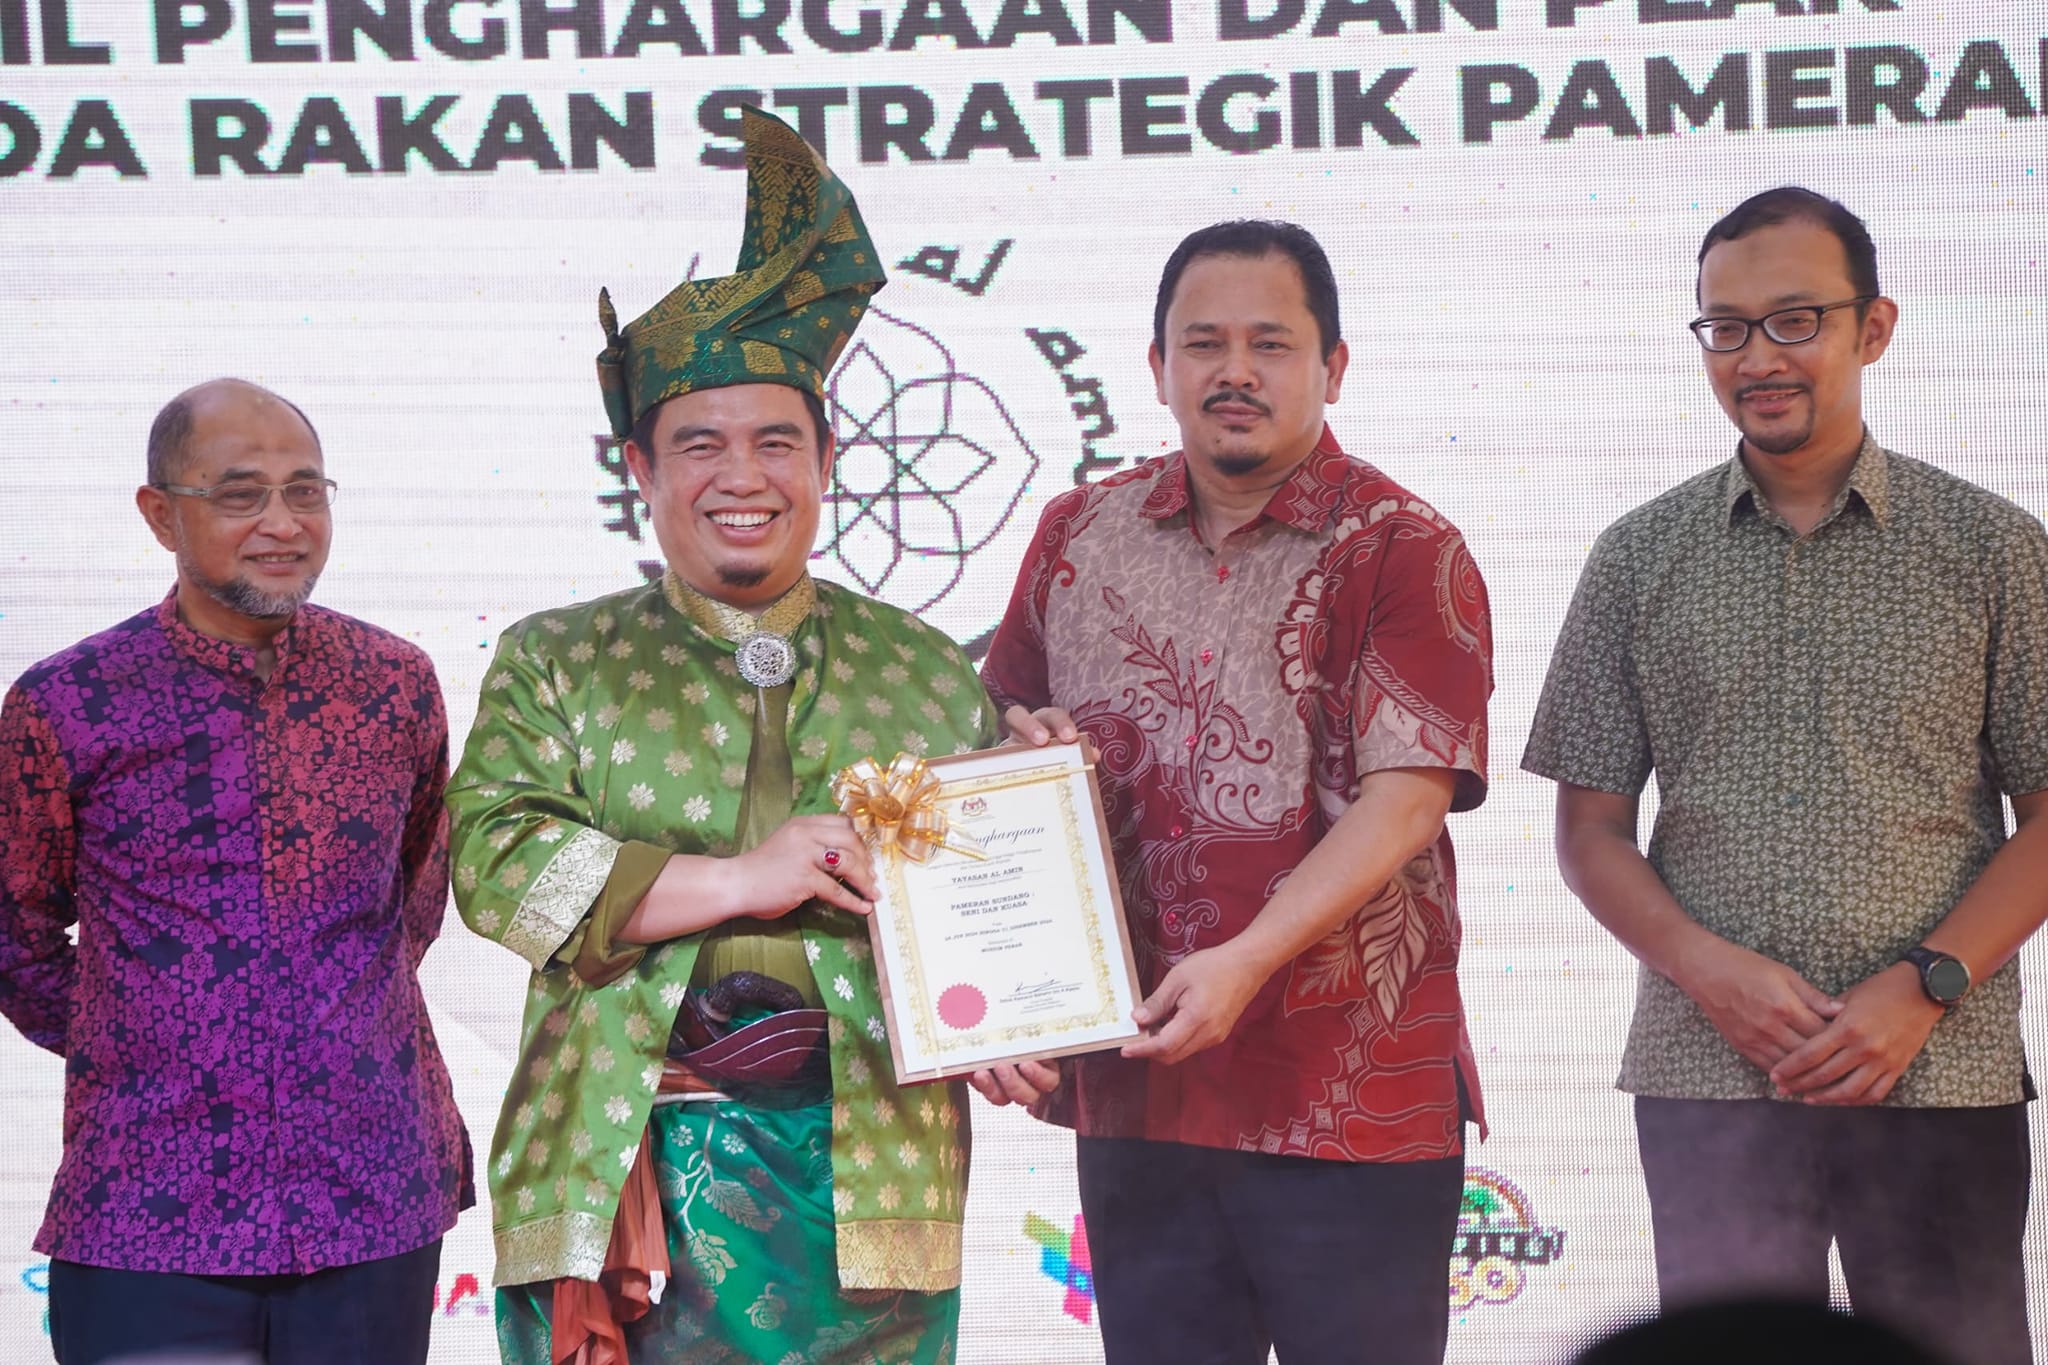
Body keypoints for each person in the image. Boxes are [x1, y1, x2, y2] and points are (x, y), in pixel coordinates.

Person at [448, 108, 1012, 1365]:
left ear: (829, 458)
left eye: (775, 441)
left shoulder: (925, 669)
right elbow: (493, 865)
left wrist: (1015, 1022)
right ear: (639, 466)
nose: (741, 476)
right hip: (624, 1159)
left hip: (870, 1165)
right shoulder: (557, 658)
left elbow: (982, 904)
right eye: (699, 444)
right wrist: (743, 879)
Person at [1522, 186, 2048, 1365]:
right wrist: (1708, 974)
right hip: (1706, 1071)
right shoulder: (1636, 557)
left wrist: (1922, 987)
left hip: (1936, 1068)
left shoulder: (1991, 548)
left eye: (1793, 320)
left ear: (1873, 327)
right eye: (1724, 327)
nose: (1756, 356)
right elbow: (1589, 830)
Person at [978, 219, 1495, 1365]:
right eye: (1203, 344)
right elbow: (997, 749)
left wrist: (1247, 959)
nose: (1234, 371)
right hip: (1139, 1093)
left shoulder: (1403, 547)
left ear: (1332, 366)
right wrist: (1001, 1002)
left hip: (1345, 1097)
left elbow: (1406, 799)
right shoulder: (1076, 532)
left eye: (1270, 343)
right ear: (1156, 366)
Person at [0, 378, 474, 1365]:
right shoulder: (68, 702)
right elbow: (15, 934)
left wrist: (327, 1021)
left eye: (305, 490)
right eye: (240, 494)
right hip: (148, 1204)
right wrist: (148, 1034)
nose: (282, 523)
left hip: (371, 1189)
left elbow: (414, 891)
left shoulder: (393, 682)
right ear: (159, 514)